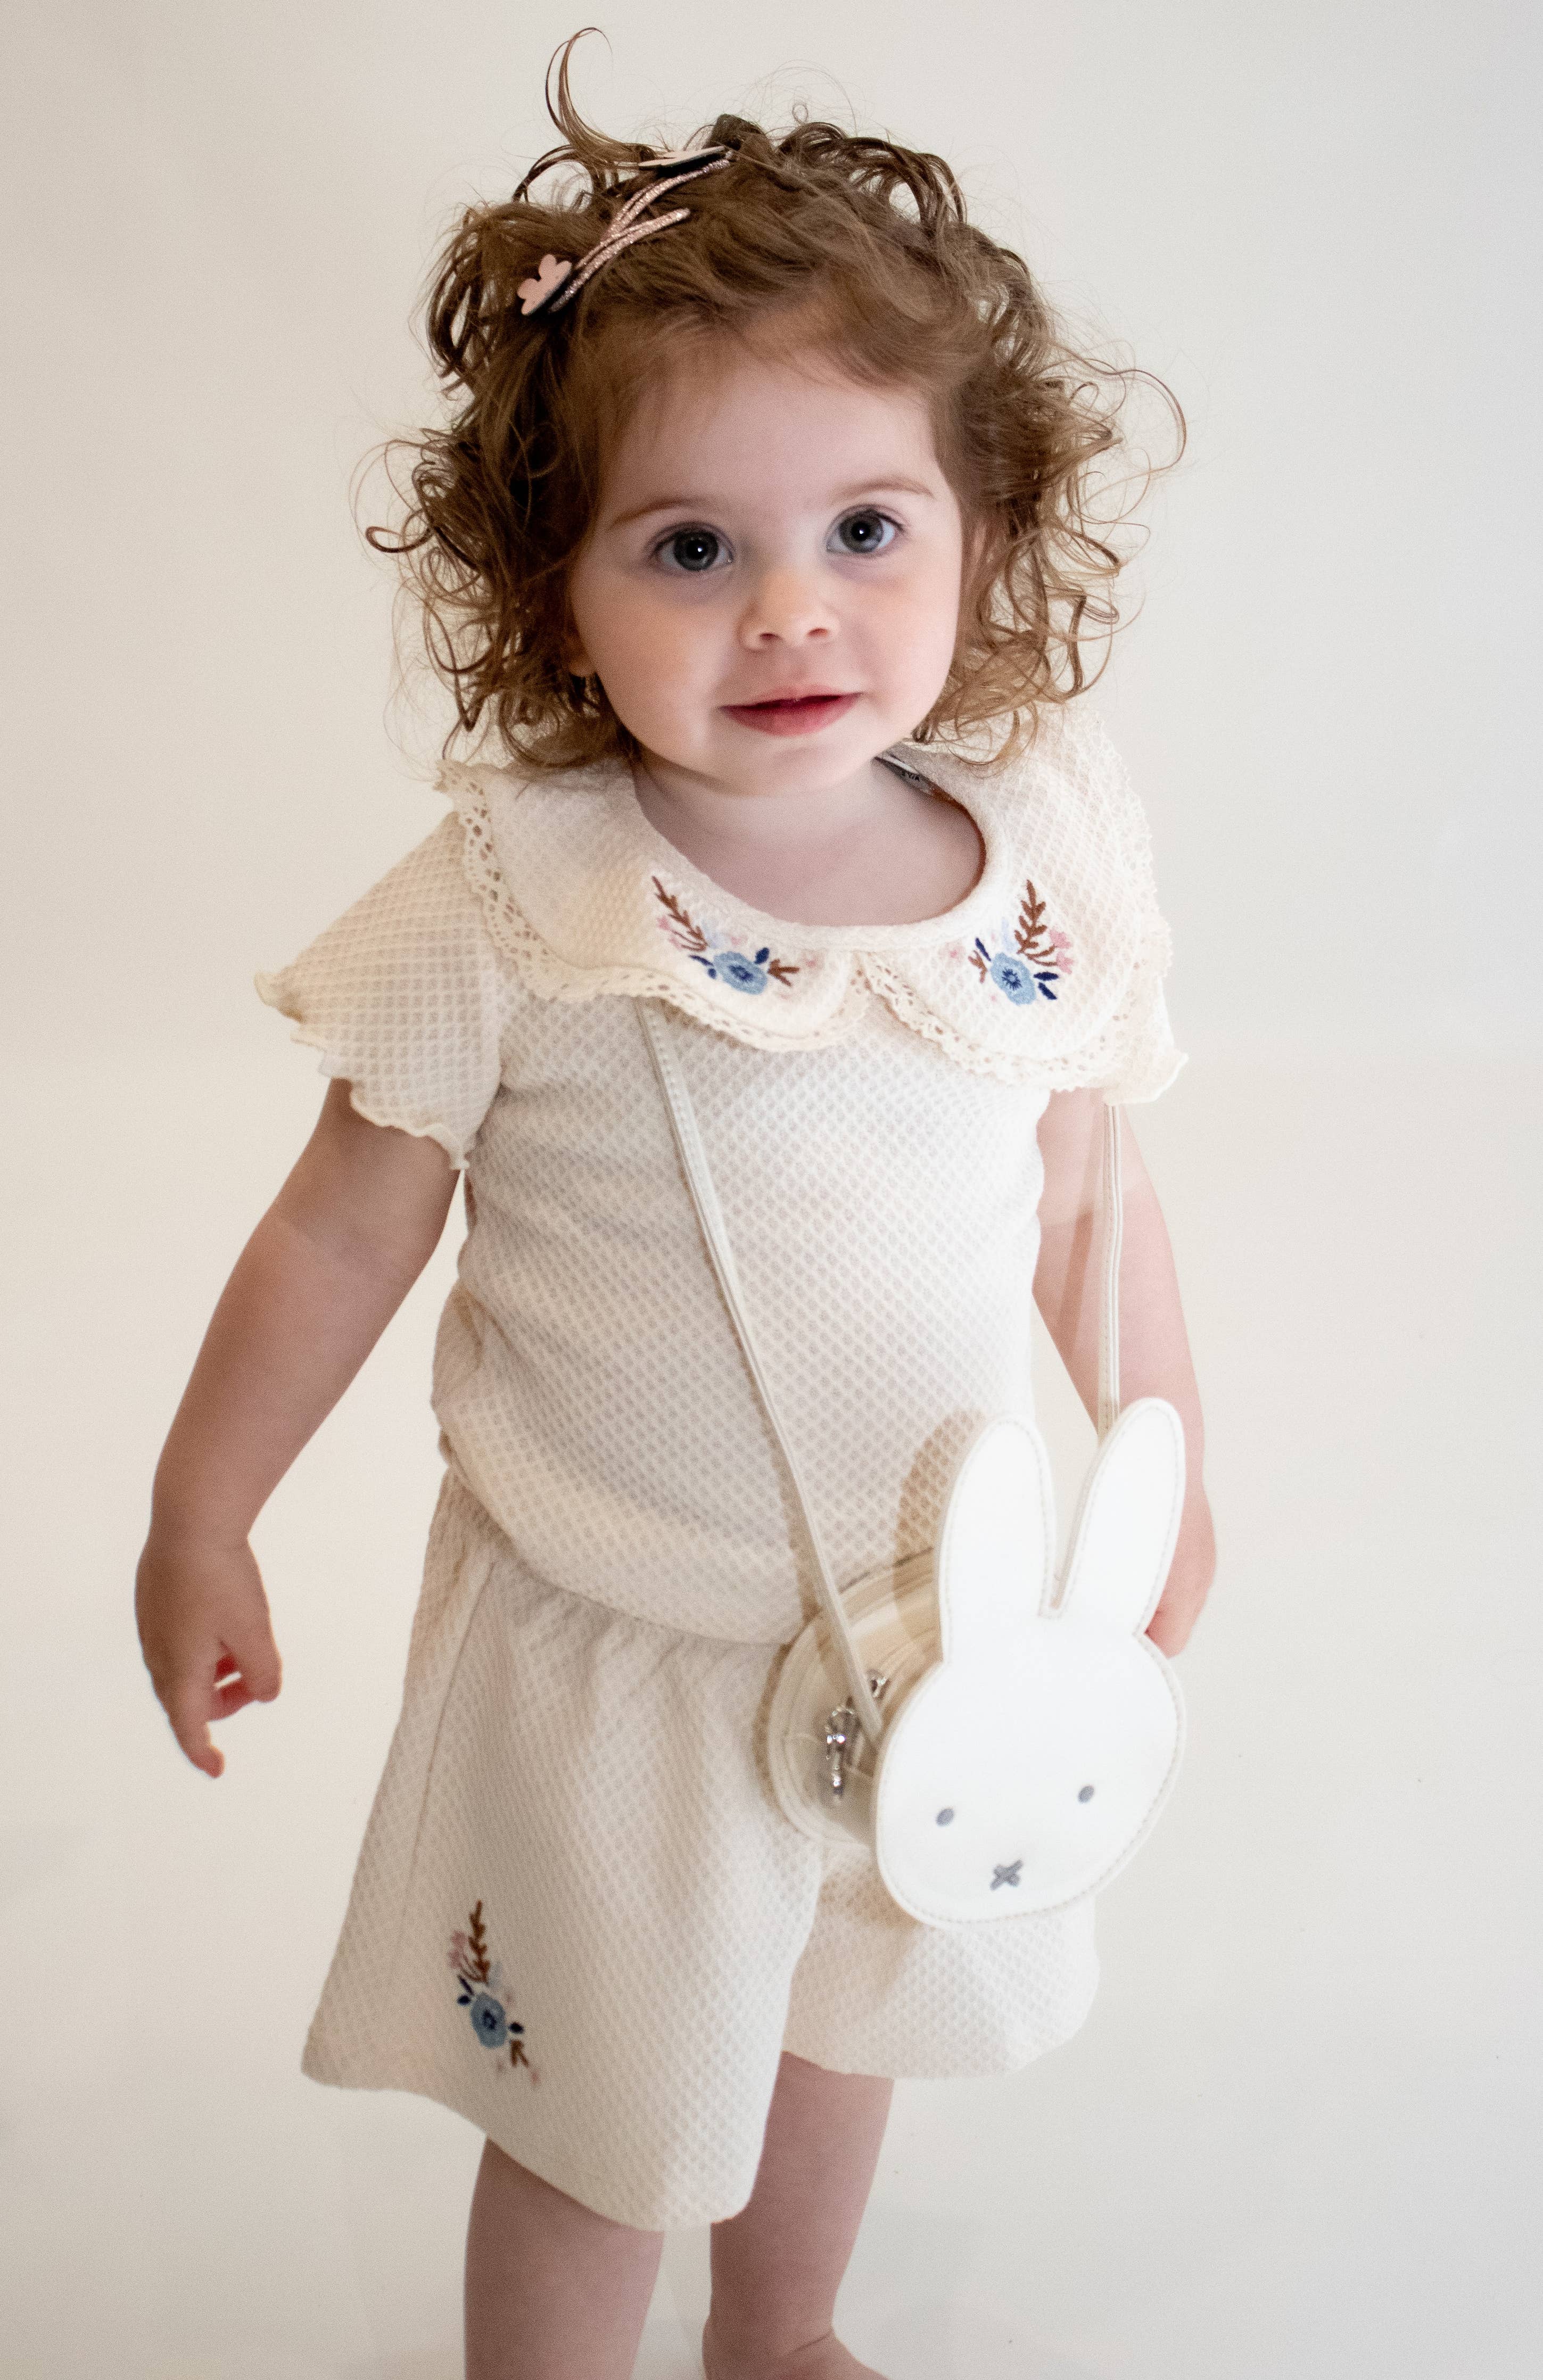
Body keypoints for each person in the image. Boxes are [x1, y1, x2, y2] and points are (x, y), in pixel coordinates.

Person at [135, 37, 1215, 2380]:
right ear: (555, 593)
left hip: (926, 1628)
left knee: (846, 2012)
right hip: (621, 1653)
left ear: (983, 531)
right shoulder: (517, 902)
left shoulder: (1033, 858)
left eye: (865, 530)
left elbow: (1083, 1195)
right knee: (600, 2117)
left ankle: (779, 2330)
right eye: (691, 548)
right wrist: (202, 1508)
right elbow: (339, 1230)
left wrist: (1169, 1465)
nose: (789, 613)